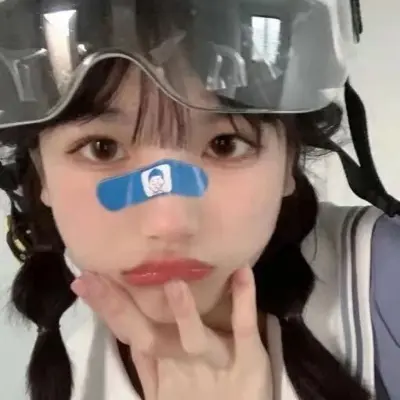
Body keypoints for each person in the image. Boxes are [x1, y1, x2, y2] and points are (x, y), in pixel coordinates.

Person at [0, 0, 399, 399]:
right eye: (102, 149)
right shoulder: (74, 376)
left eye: (225, 144)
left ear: (288, 161)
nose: (168, 223)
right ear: (40, 170)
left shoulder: (384, 277)